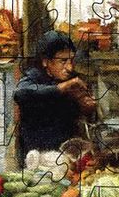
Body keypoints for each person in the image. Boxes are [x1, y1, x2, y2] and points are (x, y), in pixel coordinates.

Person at [13, 31, 99, 160]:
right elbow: (20, 93)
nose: (69, 67)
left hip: (68, 155)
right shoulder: (34, 76)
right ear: (45, 62)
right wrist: (62, 88)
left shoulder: (73, 79)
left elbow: (83, 117)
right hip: (37, 157)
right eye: (63, 61)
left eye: (71, 60)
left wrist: (86, 107)